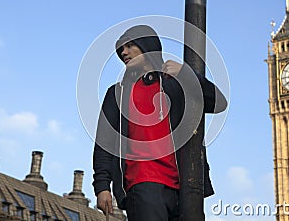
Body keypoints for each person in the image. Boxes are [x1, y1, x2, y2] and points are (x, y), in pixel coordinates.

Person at [92, 25, 227, 220]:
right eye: (122, 48)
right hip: (143, 184)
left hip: (185, 189)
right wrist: (102, 186)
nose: (124, 52)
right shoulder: (117, 94)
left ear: (147, 46)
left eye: (130, 45)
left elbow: (218, 103)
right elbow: (104, 142)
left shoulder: (175, 84)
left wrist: (186, 74)